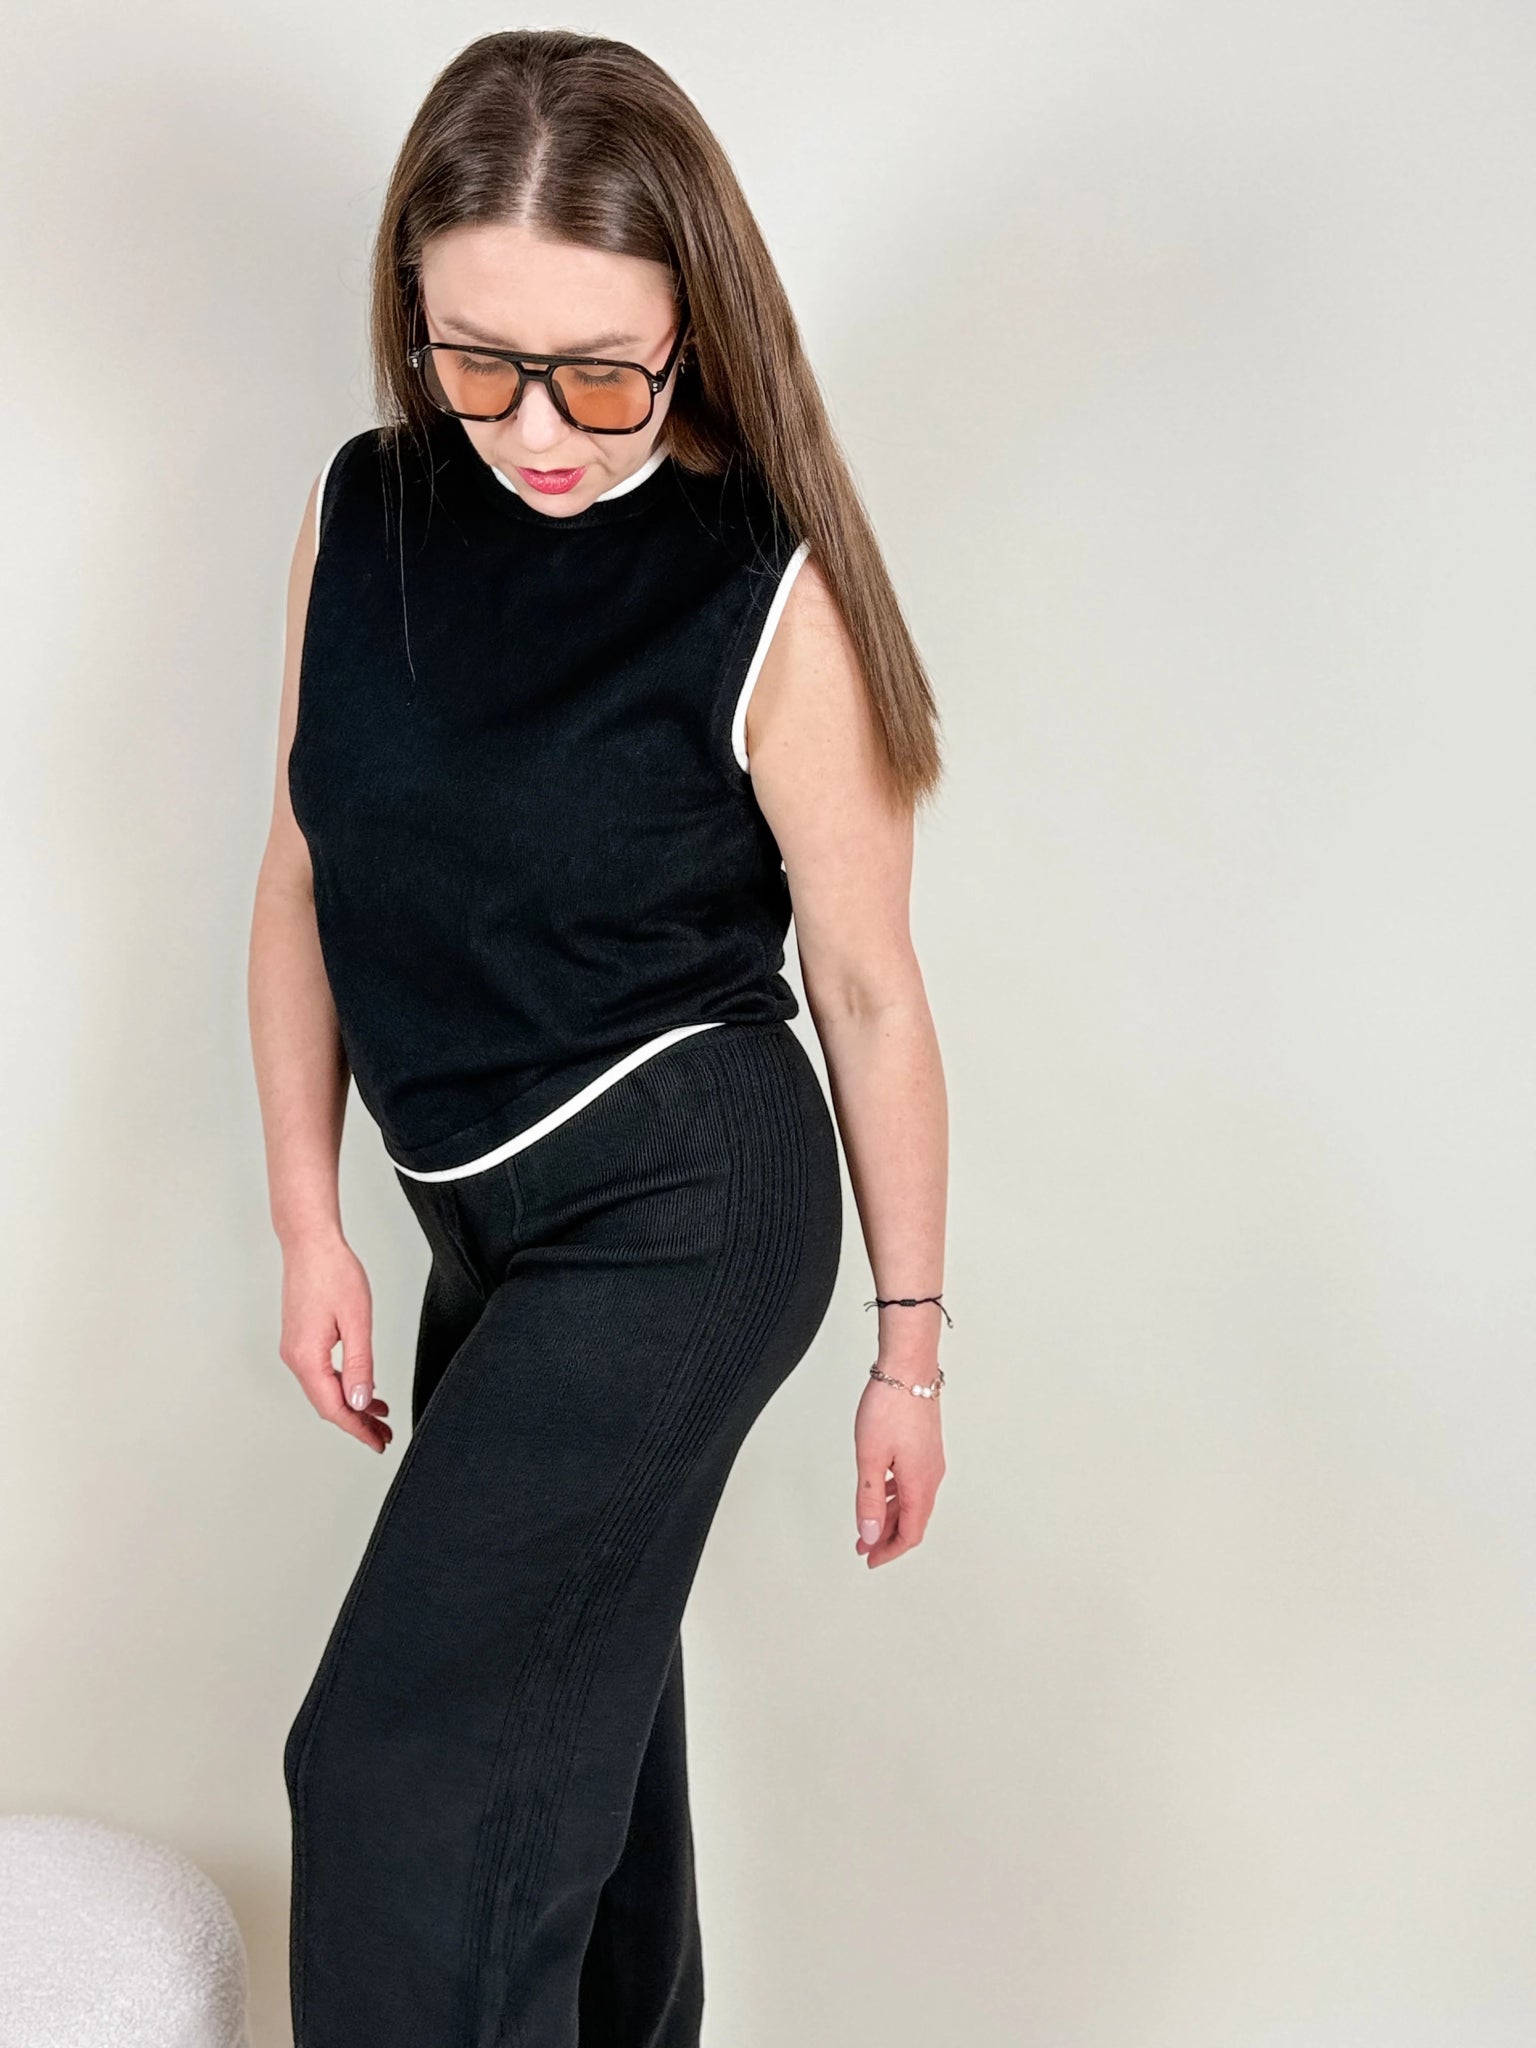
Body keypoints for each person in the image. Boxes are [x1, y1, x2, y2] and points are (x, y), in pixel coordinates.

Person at [247, 27, 949, 2048]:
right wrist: (312, 1221)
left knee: (399, 1773)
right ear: (414, 310)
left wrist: (908, 1352)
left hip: (688, 1205)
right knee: (572, 1755)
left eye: (600, 371)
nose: (539, 427)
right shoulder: (365, 513)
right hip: (482, 1226)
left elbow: (873, 992)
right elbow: (300, 879)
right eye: (480, 361)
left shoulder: (761, 588)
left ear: (690, 323)